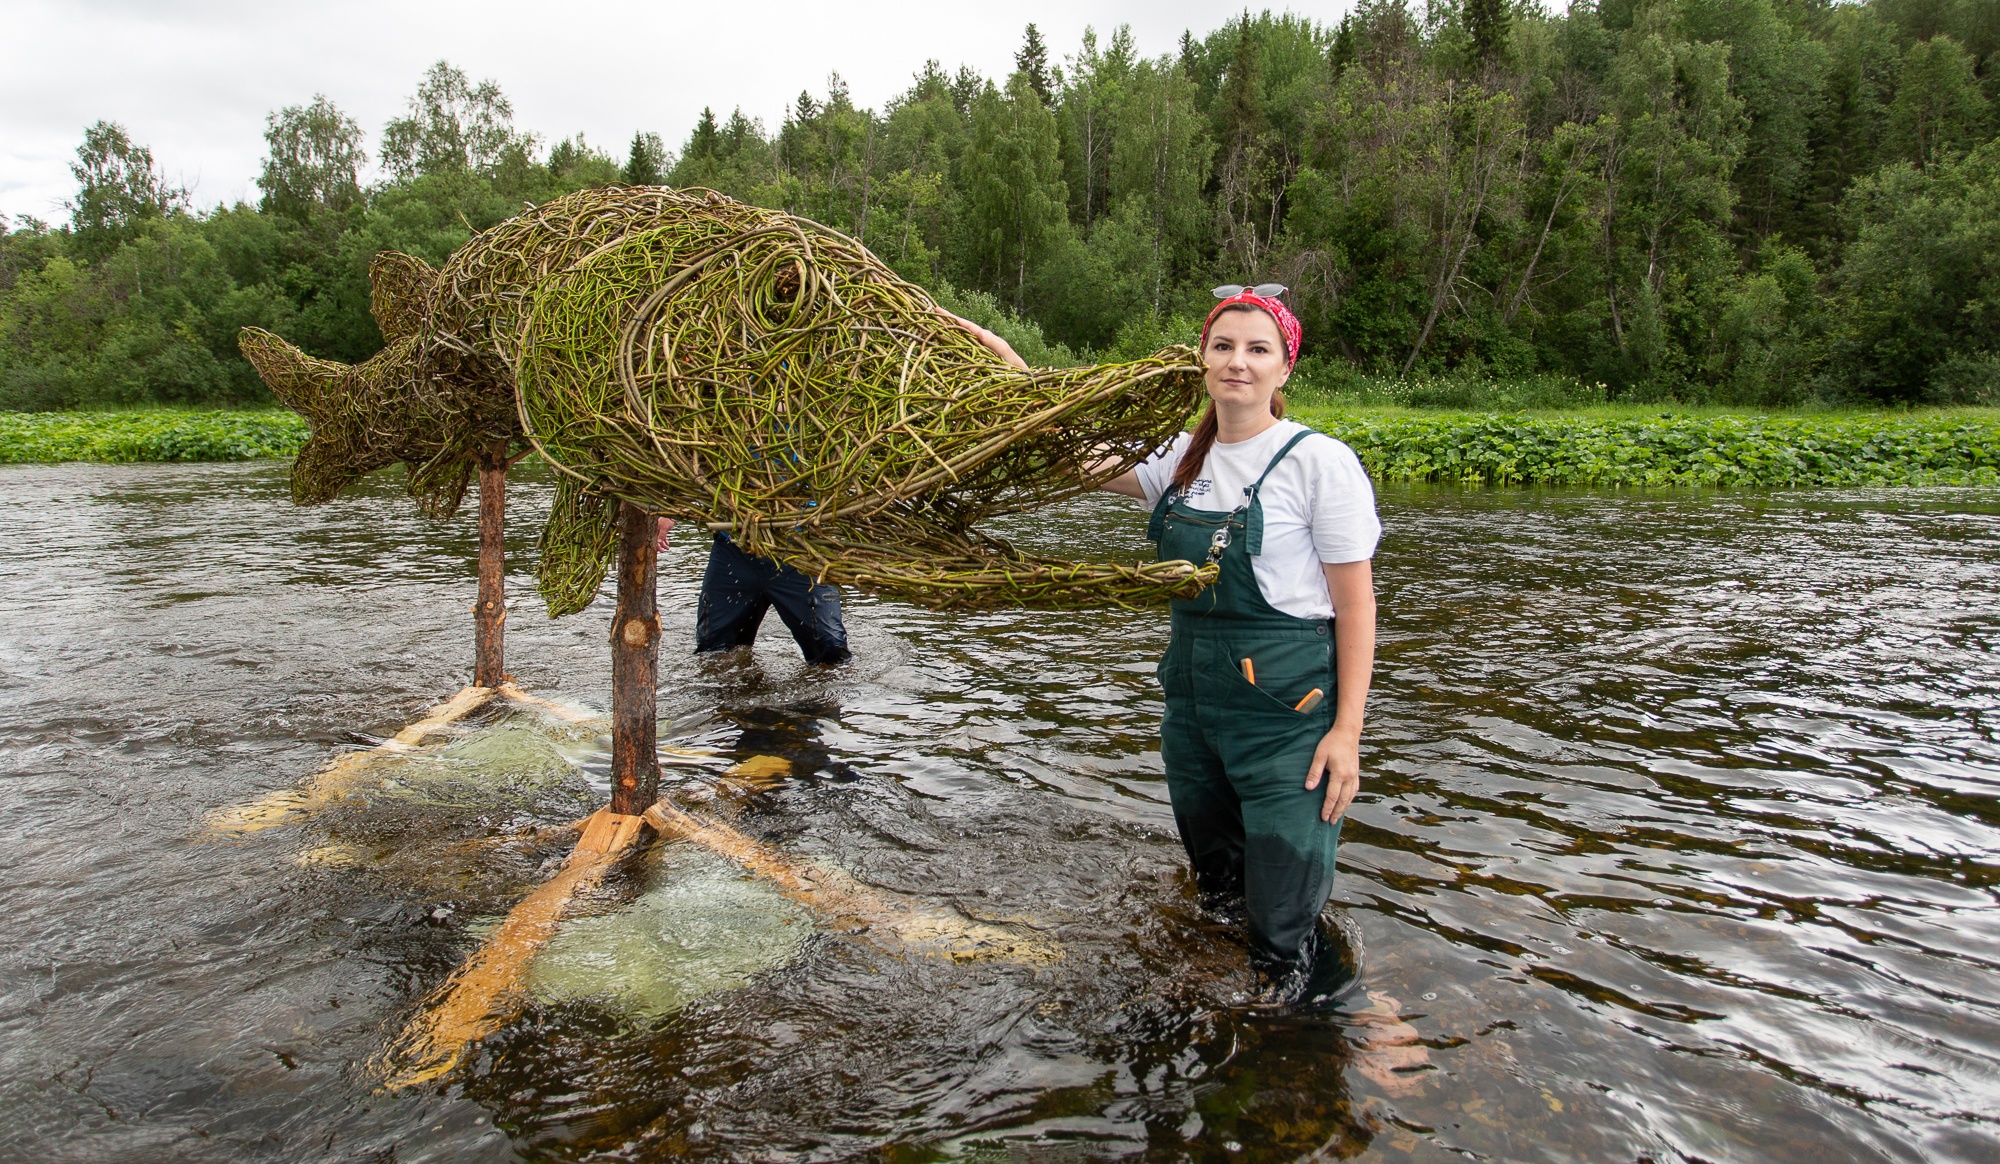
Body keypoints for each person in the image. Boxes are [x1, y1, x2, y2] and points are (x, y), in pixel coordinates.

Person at [961, 291, 1380, 1004]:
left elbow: (1356, 606)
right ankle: (1233, 1002)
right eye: (1223, 347)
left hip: (1287, 716)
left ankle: (1338, 1018)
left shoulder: (1320, 463)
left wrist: (1346, 732)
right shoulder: (1184, 460)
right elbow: (1074, 458)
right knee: (1216, 887)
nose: (1237, 363)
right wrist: (1013, 372)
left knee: (1283, 911)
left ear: (1285, 370)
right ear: (1202, 359)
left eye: (1257, 350)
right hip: (1193, 712)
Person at [654, 517, 852, 665]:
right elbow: (698, 468)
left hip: (803, 551)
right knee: (714, 651)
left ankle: (824, 711)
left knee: (832, 650)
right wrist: (669, 514)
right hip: (734, 549)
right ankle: (728, 714)